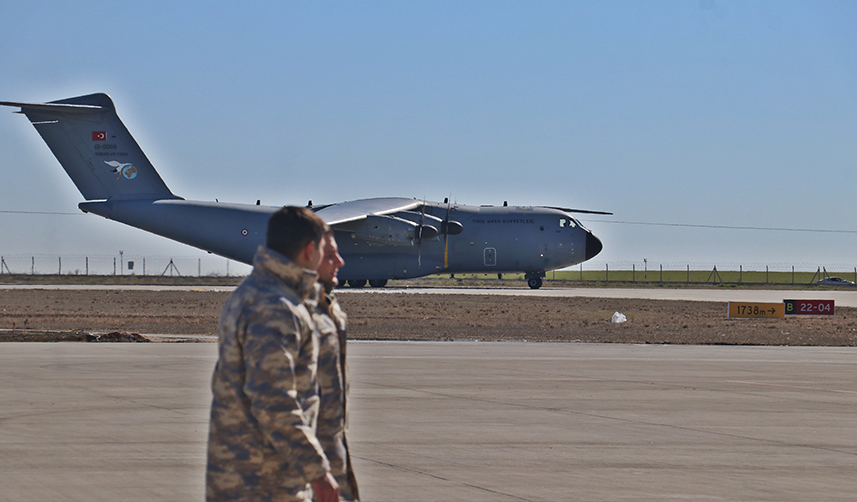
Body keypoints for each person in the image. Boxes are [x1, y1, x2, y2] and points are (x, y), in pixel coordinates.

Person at [206, 206, 339, 502]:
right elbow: (273, 400)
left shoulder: (250, 292)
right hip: (266, 481)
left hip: (240, 473)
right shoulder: (277, 307)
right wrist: (317, 473)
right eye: (323, 250)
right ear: (310, 250)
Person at [306, 232, 360, 501]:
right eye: (330, 255)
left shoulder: (326, 306)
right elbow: (277, 406)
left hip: (326, 456)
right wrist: (316, 472)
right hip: (294, 473)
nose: (340, 261)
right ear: (308, 254)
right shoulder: (285, 312)